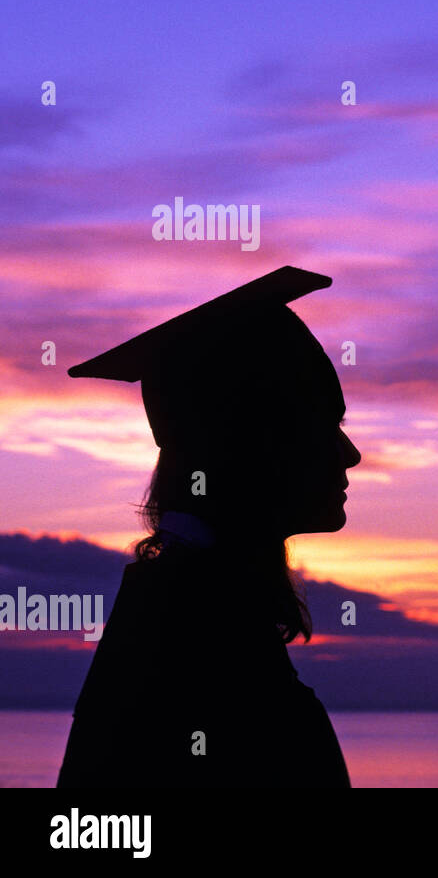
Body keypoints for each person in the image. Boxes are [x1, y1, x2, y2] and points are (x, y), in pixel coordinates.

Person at [56, 266, 360, 787]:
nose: (350, 455)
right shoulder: (204, 664)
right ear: (251, 446)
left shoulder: (181, 623)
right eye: (321, 427)